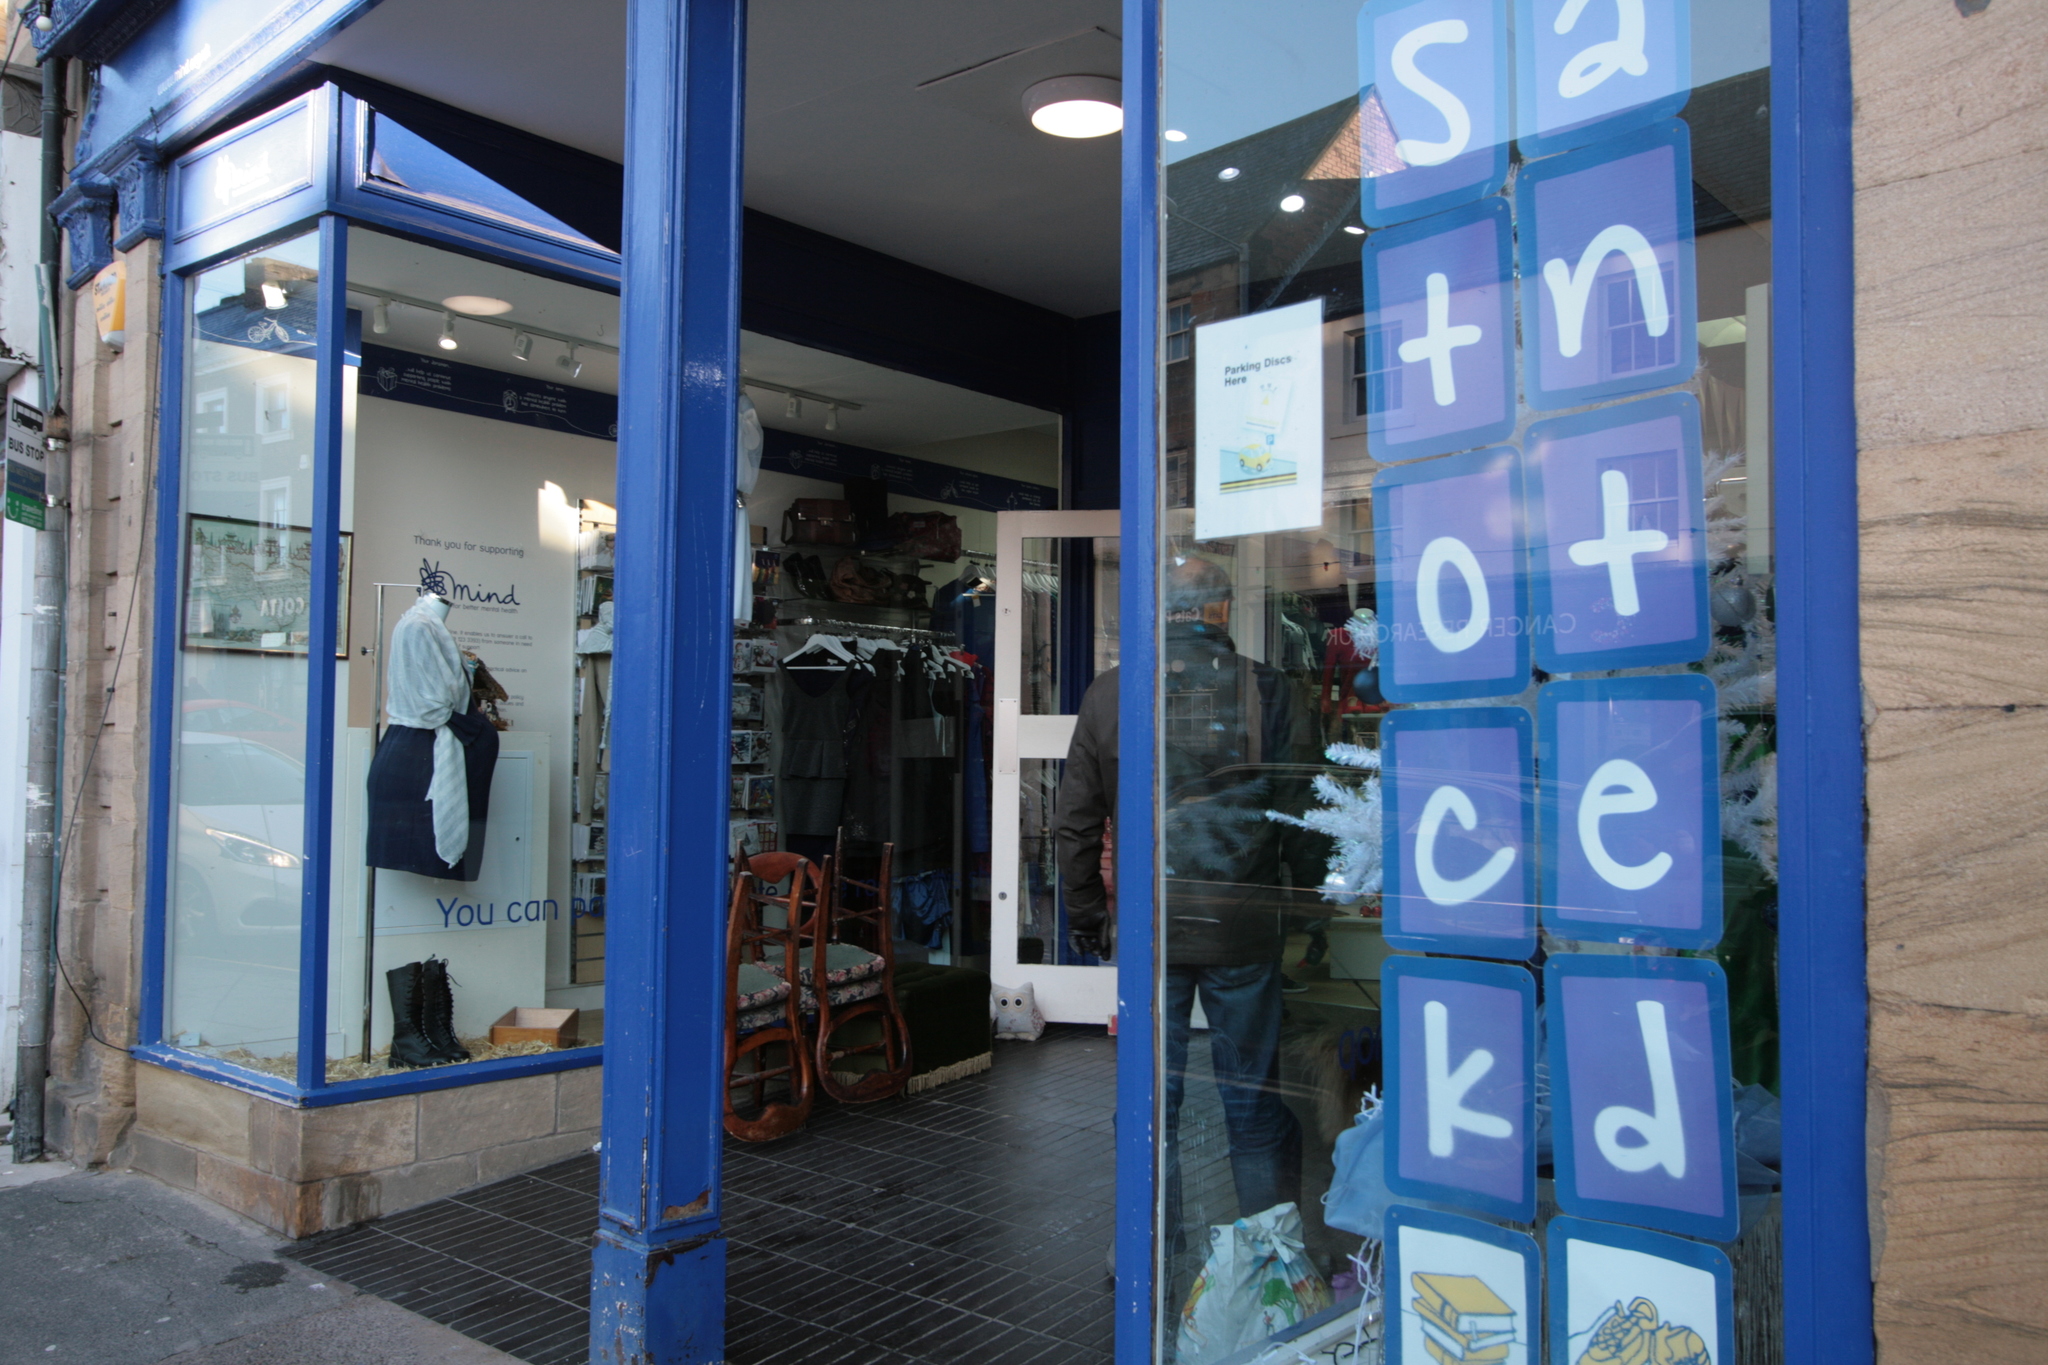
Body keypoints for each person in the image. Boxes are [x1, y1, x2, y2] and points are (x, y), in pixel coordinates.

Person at [1056, 554, 1323, 1259]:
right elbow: (1304, 812)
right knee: (1252, 1102)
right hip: (1243, 923)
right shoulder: (1268, 688)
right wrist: (1312, 908)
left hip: (1151, 926)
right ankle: (1270, 1263)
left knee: (1149, 1099)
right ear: (1220, 609)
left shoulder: (1111, 693)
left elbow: (1076, 821)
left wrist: (1086, 915)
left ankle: (1144, 1250)